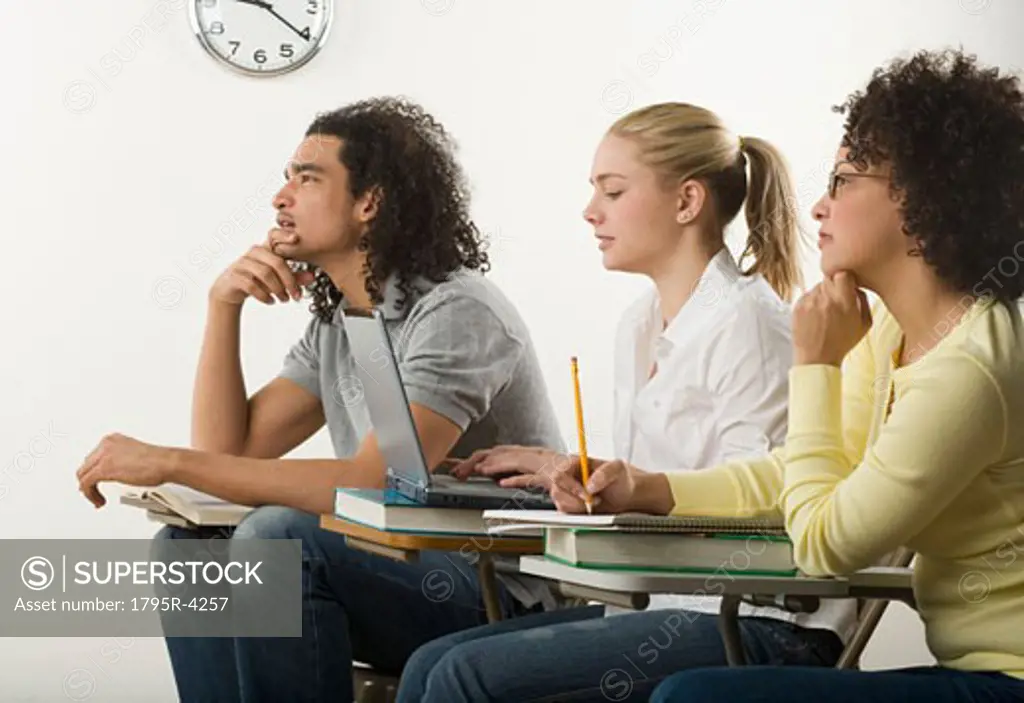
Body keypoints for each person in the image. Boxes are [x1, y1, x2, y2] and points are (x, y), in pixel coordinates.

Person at [548, 50, 1024, 703]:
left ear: (920, 196)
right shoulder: (887, 331)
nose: (820, 207)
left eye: (844, 180)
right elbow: (794, 472)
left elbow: (828, 541)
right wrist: (649, 487)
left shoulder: (969, 369)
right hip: (971, 670)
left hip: (1005, 679)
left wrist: (816, 363)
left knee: (693, 698)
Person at [73, 97, 566, 702]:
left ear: (369, 202)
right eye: (286, 178)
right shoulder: (342, 322)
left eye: (307, 179)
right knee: (188, 548)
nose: (281, 198)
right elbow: (231, 450)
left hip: (495, 590)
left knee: (279, 538)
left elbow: (375, 479)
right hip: (390, 568)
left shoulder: (456, 311)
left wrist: (170, 462)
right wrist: (222, 306)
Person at [398, 102, 858, 702]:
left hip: (757, 621)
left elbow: (772, 507)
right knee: (432, 663)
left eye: (612, 192)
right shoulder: (639, 324)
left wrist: (626, 489)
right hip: (658, 605)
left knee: (462, 676)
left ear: (687, 202)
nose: (590, 212)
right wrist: (560, 470)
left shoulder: (750, 326)